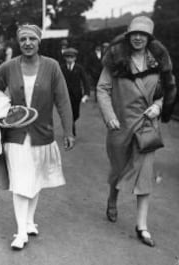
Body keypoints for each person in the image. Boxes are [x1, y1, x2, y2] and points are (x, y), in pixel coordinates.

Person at [0, 24, 75, 250]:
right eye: (23, 39)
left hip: (42, 134)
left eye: (32, 39)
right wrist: (1, 108)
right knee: (20, 181)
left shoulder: (52, 67)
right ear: (18, 42)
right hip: (16, 136)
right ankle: (21, 231)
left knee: (35, 179)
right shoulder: (8, 67)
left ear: (39, 41)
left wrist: (68, 130)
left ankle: (28, 221)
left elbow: (63, 100)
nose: (27, 43)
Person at [97, 16, 177, 247]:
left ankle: (142, 225)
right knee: (118, 169)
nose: (139, 38)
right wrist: (110, 116)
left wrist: (159, 106)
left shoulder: (158, 62)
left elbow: (165, 91)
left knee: (145, 173)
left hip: (146, 126)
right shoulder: (116, 59)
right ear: (128, 35)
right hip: (119, 125)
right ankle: (113, 198)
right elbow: (102, 89)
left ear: (150, 38)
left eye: (143, 34)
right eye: (135, 34)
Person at [60, 48, 90, 136]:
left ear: (75, 58)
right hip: (65, 95)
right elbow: (57, 81)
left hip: (76, 95)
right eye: (68, 57)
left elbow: (85, 81)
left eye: (71, 57)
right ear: (65, 58)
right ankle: (70, 129)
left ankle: (71, 122)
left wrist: (86, 93)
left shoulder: (79, 68)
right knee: (67, 113)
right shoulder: (61, 68)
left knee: (76, 114)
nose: (69, 59)